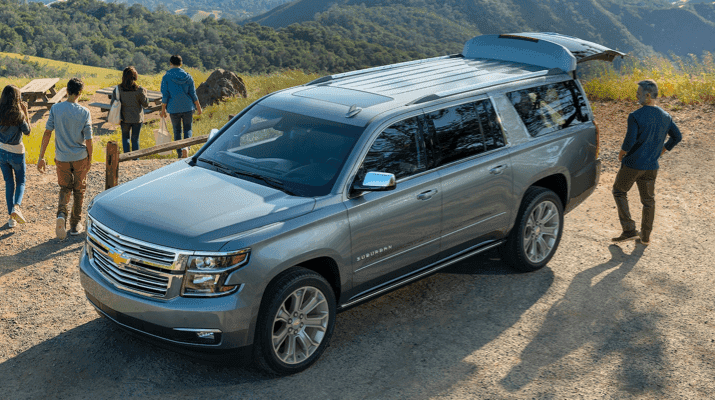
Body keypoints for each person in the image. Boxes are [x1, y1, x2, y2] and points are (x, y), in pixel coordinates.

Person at [612, 79, 682, 245]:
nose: (636, 96)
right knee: (648, 201)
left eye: (638, 94)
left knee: (619, 191)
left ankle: (629, 230)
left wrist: (622, 152)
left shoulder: (635, 116)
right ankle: (645, 237)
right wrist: (663, 150)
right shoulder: (666, 116)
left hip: (633, 165)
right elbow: (677, 136)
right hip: (652, 166)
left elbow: (629, 142)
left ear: (648, 95)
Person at [37, 77, 93, 240]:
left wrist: (41, 157)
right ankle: (75, 224)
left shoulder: (56, 109)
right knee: (79, 190)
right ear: (80, 93)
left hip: (61, 157)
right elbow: (88, 139)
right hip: (80, 157)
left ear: (67, 91)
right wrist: (90, 158)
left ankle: (61, 215)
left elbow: (47, 132)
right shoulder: (84, 112)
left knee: (65, 188)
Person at [0, 85, 31, 228]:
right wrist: (26, 113)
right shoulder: (19, 115)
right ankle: (16, 208)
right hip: (17, 152)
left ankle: (11, 219)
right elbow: (28, 132)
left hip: (1, 151)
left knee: (9, 183)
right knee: (21, 182)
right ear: (17, 99)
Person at [159, 55, 202, 158]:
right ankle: (186, 148)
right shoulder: (188, 76)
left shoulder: (166, 77)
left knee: (177, 130)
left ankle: (179, 154)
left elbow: (165, 95)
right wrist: (199, 107)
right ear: (181, 64)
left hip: (173, 108)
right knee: (188, 129)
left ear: (170, 63)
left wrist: (163, 110)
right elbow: (193, 94)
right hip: (188, 107)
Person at [115, 66, 148, 153]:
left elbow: (113, 103)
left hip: (124, 118)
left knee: (125, 138)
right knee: (135, 139)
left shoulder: (118, 88)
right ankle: (135, 158)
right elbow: (145, 105)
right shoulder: (139, 89)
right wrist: (145, 93)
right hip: (137, 118)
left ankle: (126, 157)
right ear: (135, 76)